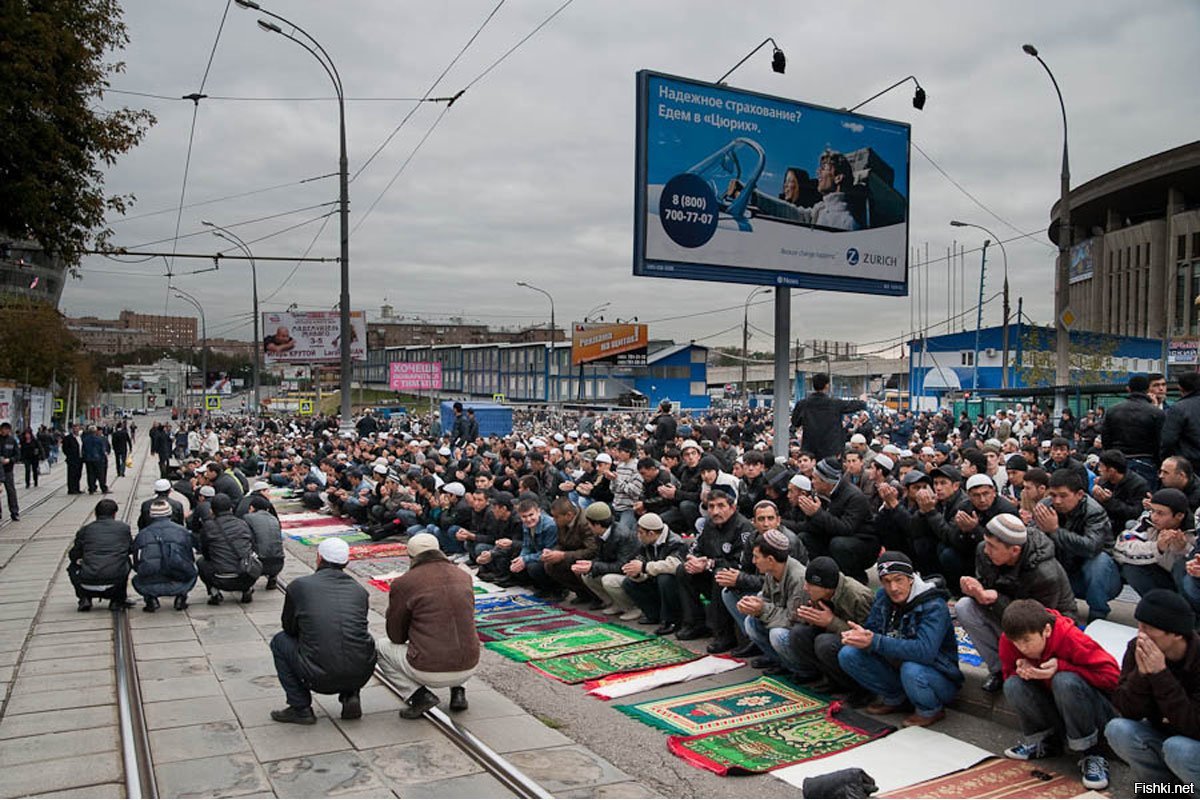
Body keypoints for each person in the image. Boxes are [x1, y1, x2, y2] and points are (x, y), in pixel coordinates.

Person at [998, 600, 1119, 791]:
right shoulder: (1009, 640)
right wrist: (1023, 672)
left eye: (1027, 640)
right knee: (1013, 684)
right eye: (1016, 642)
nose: (1022, 648)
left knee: (1064, 680)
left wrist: (1063, 666)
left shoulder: (1071, 638)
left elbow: (1113, 677)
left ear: (1046, 630)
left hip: (1094, 710)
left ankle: (1092, 752)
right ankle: (1046, 743)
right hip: (1058, 708)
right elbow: (1007, 672)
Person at [956, 513, 1078, 693]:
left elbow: (1035, 620)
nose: (986, 550)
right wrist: (975, 591)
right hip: (1006, 610)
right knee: (964, 606)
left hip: (1046, 626)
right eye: (986, 543)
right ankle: (999, 669)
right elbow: (986, 585)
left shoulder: (1044, 573)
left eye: (992, 546)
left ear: (1014, 550)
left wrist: (994, 598)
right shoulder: (984, 551)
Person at [838, 551, 963, 727]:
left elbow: (924, 651)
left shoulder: (934, 605)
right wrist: (861, 636)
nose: (893, 588)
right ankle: (895, 698)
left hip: (937, 674)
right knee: (849, 653)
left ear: (911, 578)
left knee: (912, 669)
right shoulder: (883, 597)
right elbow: (873, 630)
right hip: (897, 664)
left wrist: (875, 641)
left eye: (899, 580)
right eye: (887, 581)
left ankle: (930, 709)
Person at [270, 537, 377, 725]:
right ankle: (350, 695)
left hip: (318, 676)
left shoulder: (300, 586)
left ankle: (300, 707)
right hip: (361, 672)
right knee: (351, 640)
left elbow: (289, 628)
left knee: (280, 641)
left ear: (319, 558)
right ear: (346, 562)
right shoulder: (359, 590)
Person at [1105, 590, 1200, 790]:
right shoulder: (1137, 647)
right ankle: (1164, 790)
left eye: (1147, 628)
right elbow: (1125, 708)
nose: (1140, 634)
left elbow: (1194, 726)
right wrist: (1141, 675)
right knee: (1118, 729)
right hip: (1163, 732)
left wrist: (1160, 675)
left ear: (1175, 633)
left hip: (1192, 742)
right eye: (1139, 625)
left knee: (1177, 749)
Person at [376, 533, 478, 718]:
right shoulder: (464, 576)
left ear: (410, 557)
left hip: (429, 669)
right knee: (461, 629)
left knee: (379, 647)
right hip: (470, 664)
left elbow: (396, 636)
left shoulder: (404, 582)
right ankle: (458, 693)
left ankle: (418, 696)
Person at [1033, 469, 1121, 622]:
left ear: (1079, 494)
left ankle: (1098, 615)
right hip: (1063, 572)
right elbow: (1033, 540)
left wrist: (1055, 531)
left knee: (1099, 561)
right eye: (1053, 495)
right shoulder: (1045, 507)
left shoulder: (1094, 511)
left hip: (1098, 578)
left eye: (1063, 495)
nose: (1057, 501)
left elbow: (1091, 547)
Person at [676, 486, 755, 652]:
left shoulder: (743, 528)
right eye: (711, 507)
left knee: (721, 576)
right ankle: (695, 623)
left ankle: (724, 635)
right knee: (683, 570)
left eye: (720, 506)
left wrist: (710, 564)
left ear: (732, 507)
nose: (715, 511)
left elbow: (740, 564)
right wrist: (694, 560)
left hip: (737, 578)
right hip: (709, 570)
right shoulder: (709, 525)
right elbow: (696, 547)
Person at [787, 556, 874, 699]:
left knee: (824, 643)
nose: (805, 588)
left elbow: (867, 637)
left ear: (827, 588)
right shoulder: (820, 594)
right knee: (798, 633)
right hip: (834, 634)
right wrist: (811, 618)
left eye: (810, 585)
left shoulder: (858, 596)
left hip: (854, 645)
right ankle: (832, 680)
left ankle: (860, 688)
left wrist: (831, 622)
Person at [729, 530, 809, 675]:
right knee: (750, 622)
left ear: (771, 559)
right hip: (782, 618)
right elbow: (767, 598)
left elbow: (793, 620)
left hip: (801, 632)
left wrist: (762, 609)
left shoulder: (798, 578)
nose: (754, 561)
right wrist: (753, 603)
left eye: (756, 557)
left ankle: (802, 671)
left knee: (777, 635)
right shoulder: (771, 571)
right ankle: (781, 663)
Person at [1113, 488, 1195, 599]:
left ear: (1179, 516)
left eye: (1160, 513)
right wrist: (1157, 548)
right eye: (1152, 511)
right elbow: (1121, 546)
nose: (1154, 517)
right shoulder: (1147, 522)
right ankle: (1161, 607)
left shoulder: (1194, 531)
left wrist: (1184, 549)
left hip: (1190, 587)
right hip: (1162, 579)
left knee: (1182, 566)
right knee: (1132, 567)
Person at [622, 511, 688, 634]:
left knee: (665, 578)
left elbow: (673, 565)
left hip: (677, 584)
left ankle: (673, 621)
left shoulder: (676, 541)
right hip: (654, 579)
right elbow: (639, 561)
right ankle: (654, 615)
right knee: (629, 582)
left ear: (651, 533)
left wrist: (644, 567)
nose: (638, 536)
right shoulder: (646, 543)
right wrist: (636, 573)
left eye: (641, 533)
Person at [572, 505, 641, 618]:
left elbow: (622, 566)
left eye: (589, 524)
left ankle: (632, 607)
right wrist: (589, 565)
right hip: (615, 569)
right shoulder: (600, 534)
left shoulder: (622, 535)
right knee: (587, 575)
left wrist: (593, 566)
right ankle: (617, 604)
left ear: (598, 525)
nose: (588, 527)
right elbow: (601, 558)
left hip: (632, 575)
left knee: (608, 580)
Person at [132, 500, 198, 612]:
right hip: (179, 581)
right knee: (193, 572)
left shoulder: (142, 535)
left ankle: (150, 599)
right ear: (170, 514)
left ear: (151, 515)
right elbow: (189, 557)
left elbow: (137, 563)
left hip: (149, 584)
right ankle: (181, 597)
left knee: (136, 580)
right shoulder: (182, 531)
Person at [67, 499, 132, 611]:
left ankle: (84, 598)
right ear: (114, 513)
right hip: (115, 582)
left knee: (72, 567)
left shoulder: (85, 530)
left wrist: (82, 559)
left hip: (87, 581)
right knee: (126, 561)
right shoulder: (123, 528)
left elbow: (74, 555)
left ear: (95, 513)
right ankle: (118, 599)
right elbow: (130, 549)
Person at [1102, 375, 1165, 488]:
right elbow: (1161, 442)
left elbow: (1106, 440)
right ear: (1147, 389)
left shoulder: (1112, 411)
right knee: (1146, 499)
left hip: (1118, 461)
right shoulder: (1156, 413)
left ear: (1128, 389)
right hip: (1147, 461)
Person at [196, 494, 258, 605]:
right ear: (230, 508)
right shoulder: (242, 523)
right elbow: (252, 546)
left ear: (211, 510)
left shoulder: (209, 526)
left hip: (221, 579)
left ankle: (214, 593)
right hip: (247, 575)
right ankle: (247, 589)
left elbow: (205, 552)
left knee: (201, 562)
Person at [790, 373, 866, 460]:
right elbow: (853, 405)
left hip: (810, 449)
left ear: (813, 385)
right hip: (831, 450)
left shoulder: (802, 404)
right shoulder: (835, 403)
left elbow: (795, 422)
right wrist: (862, 401)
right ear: (827, 386)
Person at [540, 497, 599, 603]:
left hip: (590, 558)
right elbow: (561, 543)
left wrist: (563, 555)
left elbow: (592, 551)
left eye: (556, 517)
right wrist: (552, 552)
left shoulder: (585, 523)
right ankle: (582, 594)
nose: (554, 520)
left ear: (569, 515)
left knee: (578, 568)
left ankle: (595, 596)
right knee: (549, 565)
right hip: (573, 554)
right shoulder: (562, 523)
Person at [245, 495, 285, 590]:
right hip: (279, 562)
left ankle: (247, 586)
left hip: (258, 563)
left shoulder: (247, 518)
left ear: (251, 508)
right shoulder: (274, 519)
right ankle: (272, 577)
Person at [1160, 371, 1200, 465]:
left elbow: (1168, 440)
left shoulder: (1179, 408)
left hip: (1189, 465)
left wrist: (1164, 460)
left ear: (1180, 388)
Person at [0, 421, 21, 521]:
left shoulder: (12, 441)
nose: (4, 431)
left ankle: (14, 512)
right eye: (3, 429)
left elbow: (17, 455)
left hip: (8, 469)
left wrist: (10, 460)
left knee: (11, 491)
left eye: (6, 429)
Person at [81, 425, 110, 494]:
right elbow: (102, 450)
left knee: (90, 474)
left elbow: (83, 450)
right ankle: (103, 488)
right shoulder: (99, 439)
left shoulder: (85, 440)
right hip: (98, 459)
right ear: (95, 431)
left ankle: (91, 488)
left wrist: (85, 458)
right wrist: (103, 457)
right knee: (101, 474)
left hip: (89, 460)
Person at [62, 423, 84, 495]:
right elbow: (65, 448)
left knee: (78, 474)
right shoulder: (68, 438)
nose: (76, 429)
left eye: (77, 428)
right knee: (72, 474)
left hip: (80, 459)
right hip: (72, 459)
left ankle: (77, 488)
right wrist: (69, 455)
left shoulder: (80, 437)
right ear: (72, 429)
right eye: (74, 428)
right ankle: (71, 489)